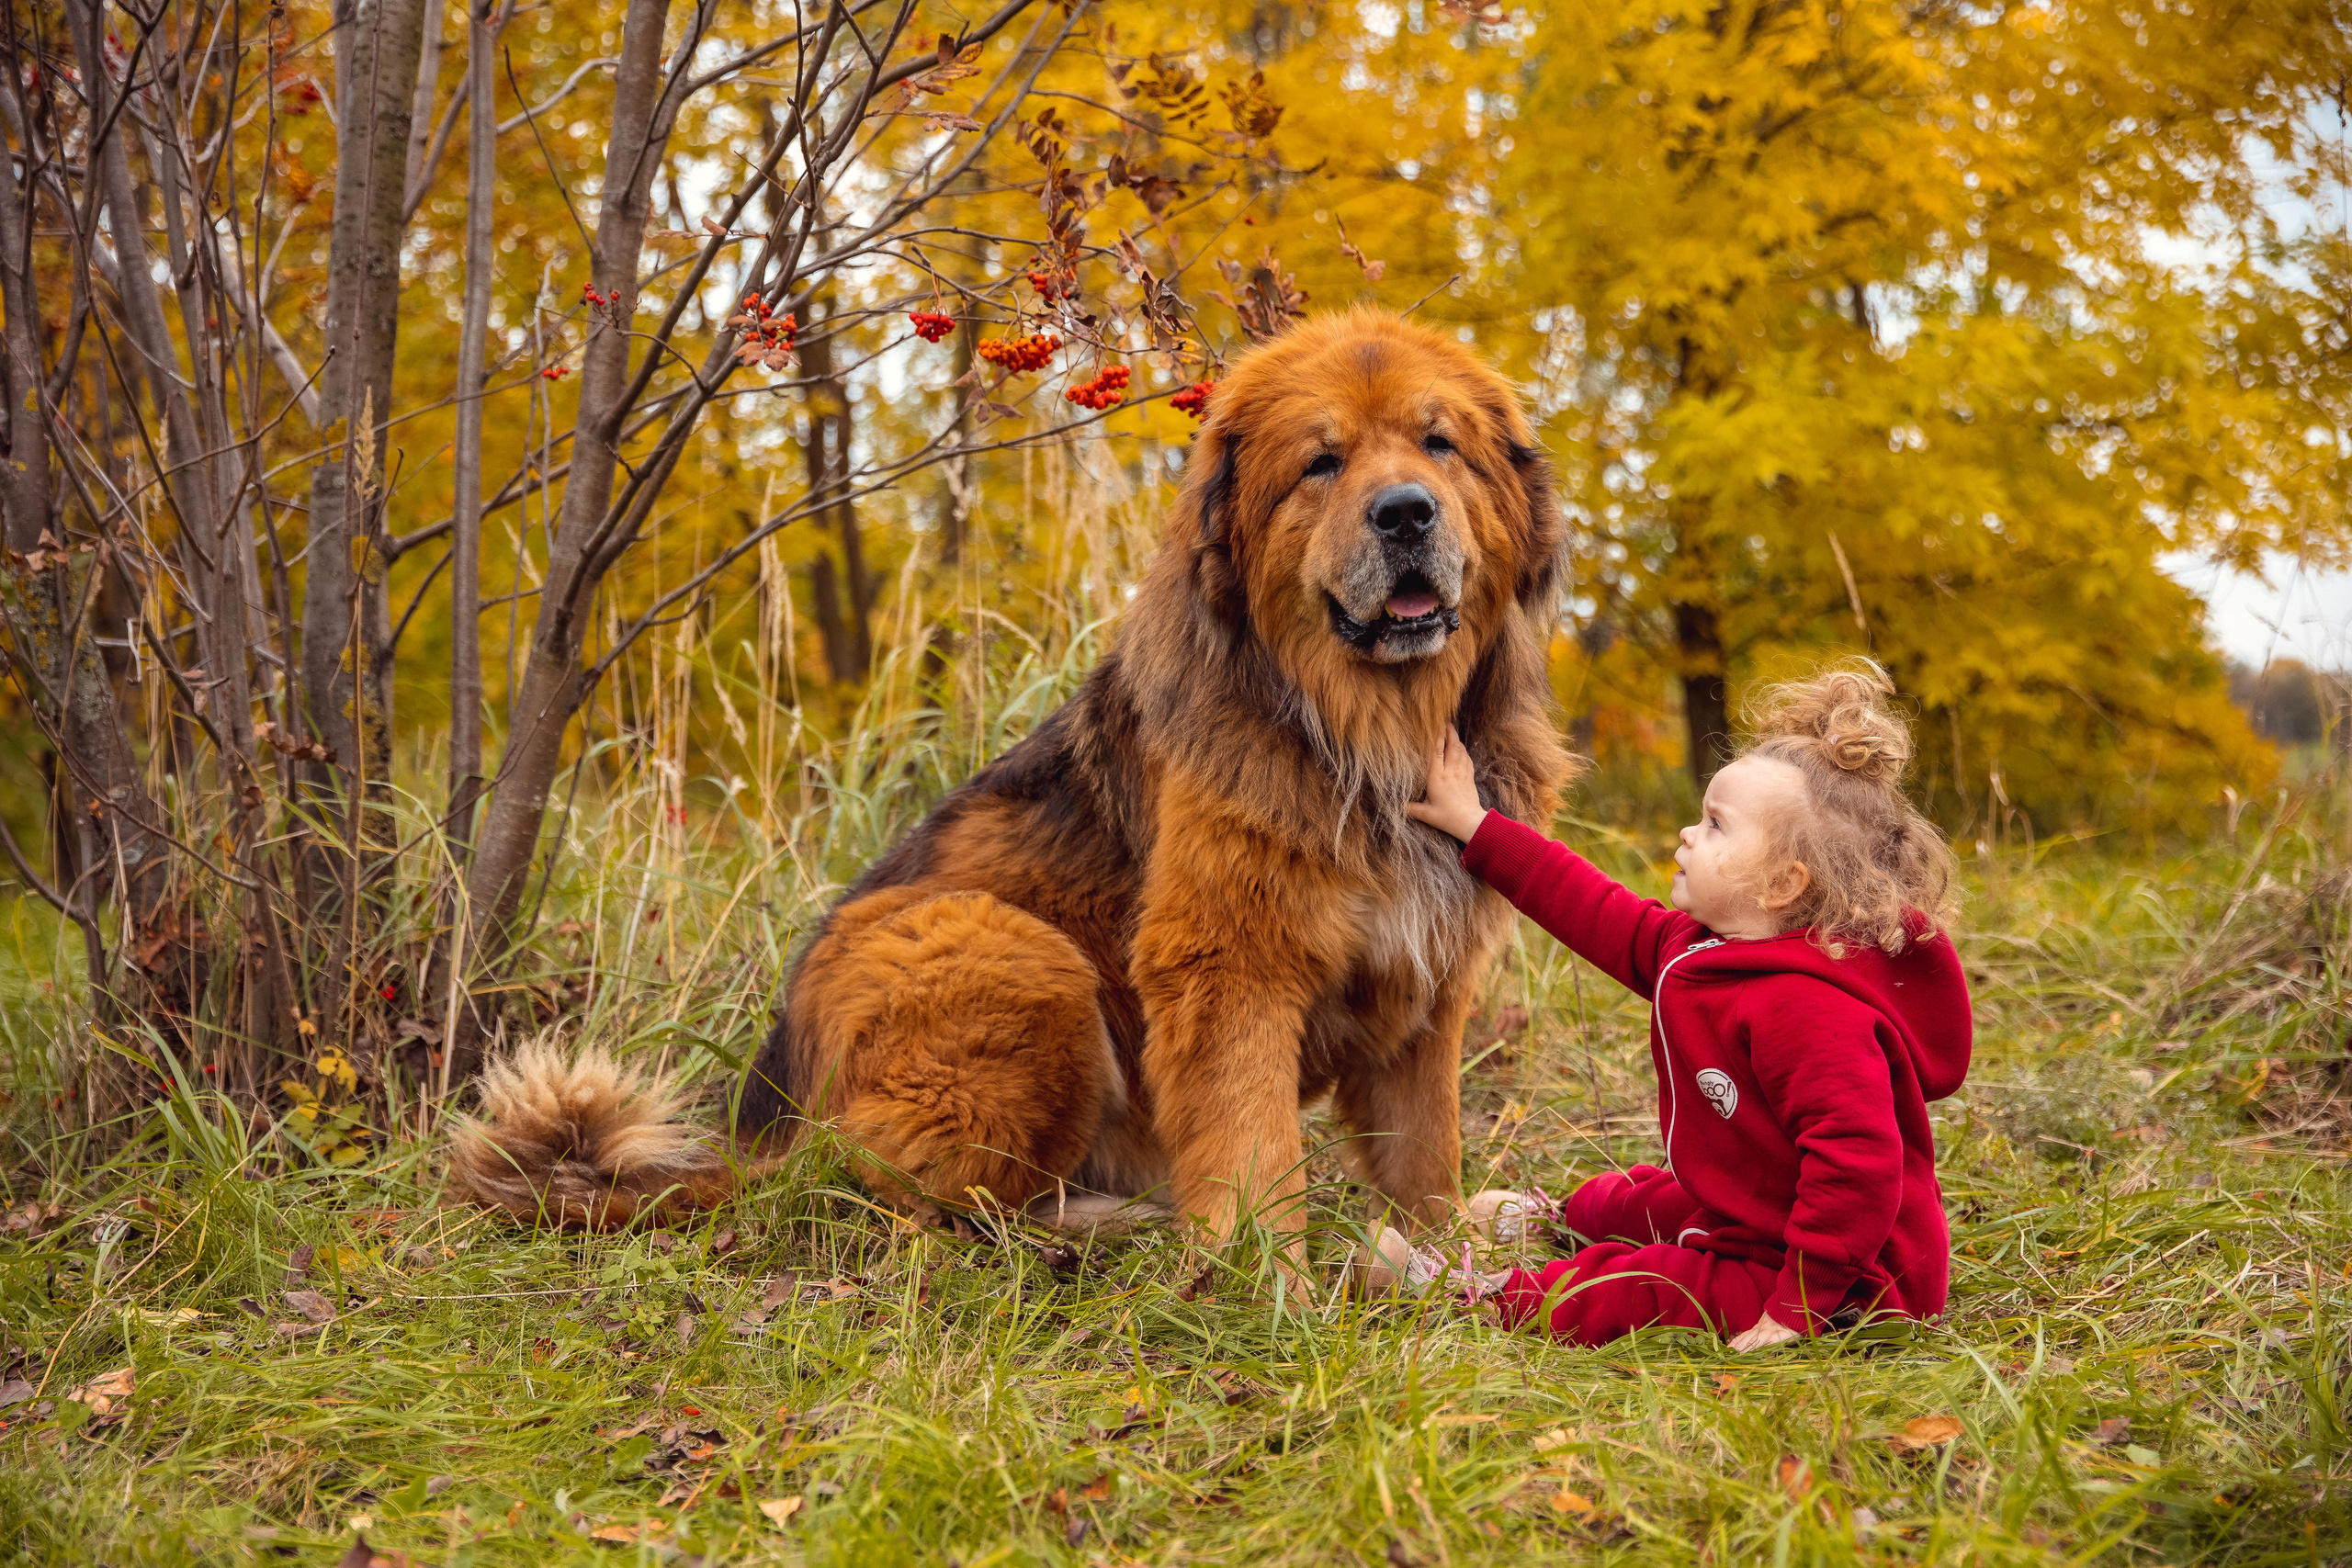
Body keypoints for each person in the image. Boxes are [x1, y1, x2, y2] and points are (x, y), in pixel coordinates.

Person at [1401, 663, 1972, 1348]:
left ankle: (1476, 1294)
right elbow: (1587, 904)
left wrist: (1796, 1307)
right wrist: (1475, 824)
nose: (1687, 834)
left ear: (1782, 883)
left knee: (1650, 1283)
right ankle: (1558, 1218)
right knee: (1646, 1197)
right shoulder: (1701, 947)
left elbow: (1858, 1170)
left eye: (1715, 824)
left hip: (1846, 1275)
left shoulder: (1810, 1012)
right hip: (1755, 1210)